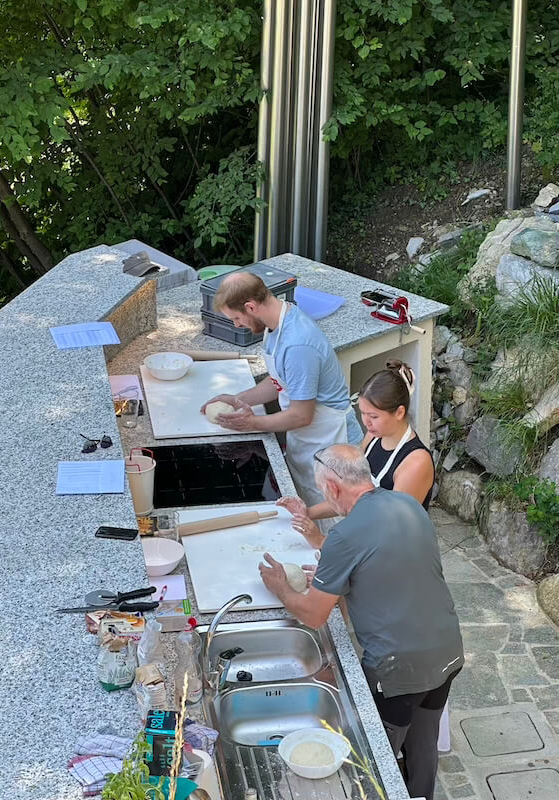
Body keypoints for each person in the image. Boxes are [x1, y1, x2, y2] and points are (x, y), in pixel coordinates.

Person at [259, 444, 463, 800]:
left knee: (374, 765)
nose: (325, 497)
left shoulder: (344, 535)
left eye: (323, 490)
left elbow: (313, 614)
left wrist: (280, 589)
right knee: (422, 751)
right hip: (448, 651)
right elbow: (390, 571)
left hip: (398, 669)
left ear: (335, 488)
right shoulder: (409, 506)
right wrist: (335, 581)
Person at [200, 272, 362, 507]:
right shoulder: (277, 324)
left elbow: (301, 415)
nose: (237, 325)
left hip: (334, 447)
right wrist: (237, 399)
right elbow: (280, 381)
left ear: (251, 307)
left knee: (333, 517)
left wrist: (251, 424)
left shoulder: (297, 344)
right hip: (310, 444)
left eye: (236, 318)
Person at [278, 358, 435, 548]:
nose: (366, 422)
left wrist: (323, 542)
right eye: (363, 413)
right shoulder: (374, 435)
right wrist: (307, 513)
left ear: (400, 413)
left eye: (374, 416)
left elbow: (387, 528)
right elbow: (352, 497)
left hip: (397, 555)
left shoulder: (416, 463)